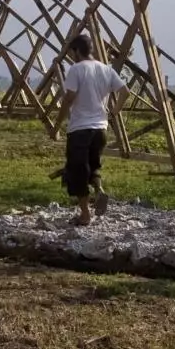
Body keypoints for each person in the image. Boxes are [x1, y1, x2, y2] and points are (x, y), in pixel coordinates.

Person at [53, 32, 126, 226]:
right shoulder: (106, 69)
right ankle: (99, 191)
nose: (71, 57)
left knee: (77, 171)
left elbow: (69, 98)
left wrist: (57, 125)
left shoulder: (77, 69)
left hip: (80, 129)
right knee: (93, 166)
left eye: (71, 53)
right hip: (100, 129)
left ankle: (85, 215)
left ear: (76, 51)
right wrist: (114, 112)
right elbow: (125, 92)